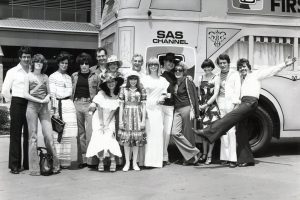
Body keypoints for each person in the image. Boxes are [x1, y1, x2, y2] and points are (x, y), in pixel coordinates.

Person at [193, 57, 296, 150]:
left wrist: (285, 64)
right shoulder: (241, 78)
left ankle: (207, 132)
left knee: (230, 118)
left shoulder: (255, 75)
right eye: (240, 68)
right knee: (241, 130)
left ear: (249, 67)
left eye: (244, 67)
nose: (242, 69)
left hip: (250, 103)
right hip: (244, 102)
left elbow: (270, 71)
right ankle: (246, 158)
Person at [24, 54, 60, 175]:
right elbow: (25, 94)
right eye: (37, 62)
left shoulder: (45, 77)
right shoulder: (28, 76)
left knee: (49, 136)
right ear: (33, 63)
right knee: (33, 137)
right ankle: (34, 168)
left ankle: (55, 165)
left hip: (44, 108)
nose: (39, 63)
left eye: (41, 62)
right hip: (32, 107)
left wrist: (47, 98)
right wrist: (40, 100)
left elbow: (50, 93)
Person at [2, 46, 31, 174]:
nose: (26, 59)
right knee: (15, 134)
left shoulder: (32, 71)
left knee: (29, 135)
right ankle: (14, 165)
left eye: (28, 57)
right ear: (20, 57)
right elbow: (5, 90)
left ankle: (28, 163)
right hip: (17, 102)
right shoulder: (12, 71)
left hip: (30, 103)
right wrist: (11, 102)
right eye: (24, 56)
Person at [86, 73, 124, 172]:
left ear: (116, 82)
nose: (111, 84)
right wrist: (102, 124)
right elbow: (99, 109)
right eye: (108, 82)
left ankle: (113, 161)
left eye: (112, 81)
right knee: (99, 138)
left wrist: (107, 123)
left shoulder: (118, 94)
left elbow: (113, 110)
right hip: (99, 118)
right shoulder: (101, 93)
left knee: (110, 138)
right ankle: (101, 161)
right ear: (106, 84)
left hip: (110, 119)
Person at [49, 52, 78, 169]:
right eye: (62, 63)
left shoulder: (68, 77)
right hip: (58, 106)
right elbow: (52, 95)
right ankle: (56, 160)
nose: (64, 65)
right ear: (58, 63)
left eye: (66, 63)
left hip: (69, 106)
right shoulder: (53, 76)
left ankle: (65, 161)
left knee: (67, 134)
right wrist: (55, 111)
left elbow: (71, 94)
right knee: (57, 134)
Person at [72, 52, 101, 168]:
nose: (84, 65)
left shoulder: (95, 76)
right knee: (80, 134)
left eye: (86, 63)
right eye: (82, 63)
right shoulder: (74, 76)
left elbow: (100, 92)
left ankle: (91, 160)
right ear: (79, 65)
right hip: (76, 104)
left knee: (90, 133)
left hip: (90, 104)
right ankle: (82, 160)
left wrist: (95, 103)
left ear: (89, 65)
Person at [171, 61, 201, 165]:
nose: (177, 72)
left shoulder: (187, 81)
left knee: (188, 134)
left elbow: (193, 96)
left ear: (184, 72)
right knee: (174, 132)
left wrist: (193, 110)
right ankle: (194, 152)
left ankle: (189, 159)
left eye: (180, 70)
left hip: (187, 108)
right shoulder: (175, 82)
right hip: (177, 110)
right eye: (176, 70)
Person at [142, 57, 170, 168]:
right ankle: (147, 161)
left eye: (155, 64)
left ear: (158, 66)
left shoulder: (163, 80)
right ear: (148, 66)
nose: (153, 66)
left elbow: (165, 92)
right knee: (148, 135)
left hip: (158, 110)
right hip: (148, 108)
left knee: (158, 133)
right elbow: (142, 96)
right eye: (150, 65)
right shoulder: (145, 79)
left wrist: (162, 97)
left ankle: (157, 162)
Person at [215, 54, 241, 168]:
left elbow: (237, 89)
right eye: (220, 63)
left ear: (228, 63)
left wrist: (236, 105)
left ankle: (233, 159)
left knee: (231, 131)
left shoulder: (235, 74)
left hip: (231, 104)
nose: (222, 65)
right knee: (223, 130)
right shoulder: (217, 75)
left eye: (224, 62)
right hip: (220, 103)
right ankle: (224, 157)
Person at [118, 71, 147, 171]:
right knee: (127, 141)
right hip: (127, 115)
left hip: (138, 115)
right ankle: (127, 163)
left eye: (135, 79)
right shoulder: (123, 89)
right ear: (128, 79)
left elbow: (144, 105)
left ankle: (135, 163)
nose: (133, 81)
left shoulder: (141, 89)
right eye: (131, 79)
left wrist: (143, 121)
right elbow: (121, 105)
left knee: (136, 141)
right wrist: (120, 121)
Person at [159, 52, 181, 166]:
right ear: (164, 62)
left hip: (170, 107)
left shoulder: (174, 75)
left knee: (167, 133)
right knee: (160, 132)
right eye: (169, 61)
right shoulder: (159, 75)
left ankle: (164, 156)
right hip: (160, 106)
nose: (171, 63)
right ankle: (159, 156)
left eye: (173, 61)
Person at [198, 59, 221, 165]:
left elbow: (215, 93)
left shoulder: (216, 78)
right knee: (203, 133)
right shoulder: (200, 77)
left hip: (211, 108)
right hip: (202, 107)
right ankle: (204, 154)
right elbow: (199, 93)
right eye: (205, 67)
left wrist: (206, 105)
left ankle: (210, 155)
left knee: (211, 133)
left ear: (212, 67)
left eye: (209, 67)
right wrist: (199, 105)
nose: (207, 69)